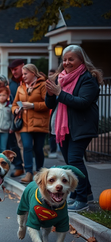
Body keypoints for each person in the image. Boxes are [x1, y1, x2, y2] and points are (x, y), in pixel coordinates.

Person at [45, 45, 102, 211]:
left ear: (81, 60)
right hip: (62, 127)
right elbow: (50, 104)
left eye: (71, 59)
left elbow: (83, 102)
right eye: (64, 59)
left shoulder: (87, 78)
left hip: (81, 126)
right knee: (70, 163)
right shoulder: (60, 78)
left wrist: (59, 93)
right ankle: (84, 194)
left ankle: (82, 200)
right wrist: (50, 94)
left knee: (75, 161)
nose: (67, 62)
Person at [12, 64, 49, 184]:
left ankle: (39, 172)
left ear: (33, 73)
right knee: (26, 147)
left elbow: (48, 104)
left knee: (38, 149)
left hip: (39, 123)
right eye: (22, 74)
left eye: (25, 74)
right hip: (25, 124)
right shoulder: (20, 88)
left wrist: (33, 105)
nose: (23, 76)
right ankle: (28, 172)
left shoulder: (42, 85)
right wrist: (16, 110)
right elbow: (14, 105)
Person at [7, 59, 26, 177]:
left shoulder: (29, 81)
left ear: (22, 67)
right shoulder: (11, 84)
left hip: (30, 117)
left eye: (15, 69)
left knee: (28, 146)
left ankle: (30, 168)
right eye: (11, 70)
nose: (13, 72)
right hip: (15, 119)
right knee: (14, 144)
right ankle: (19, 166)